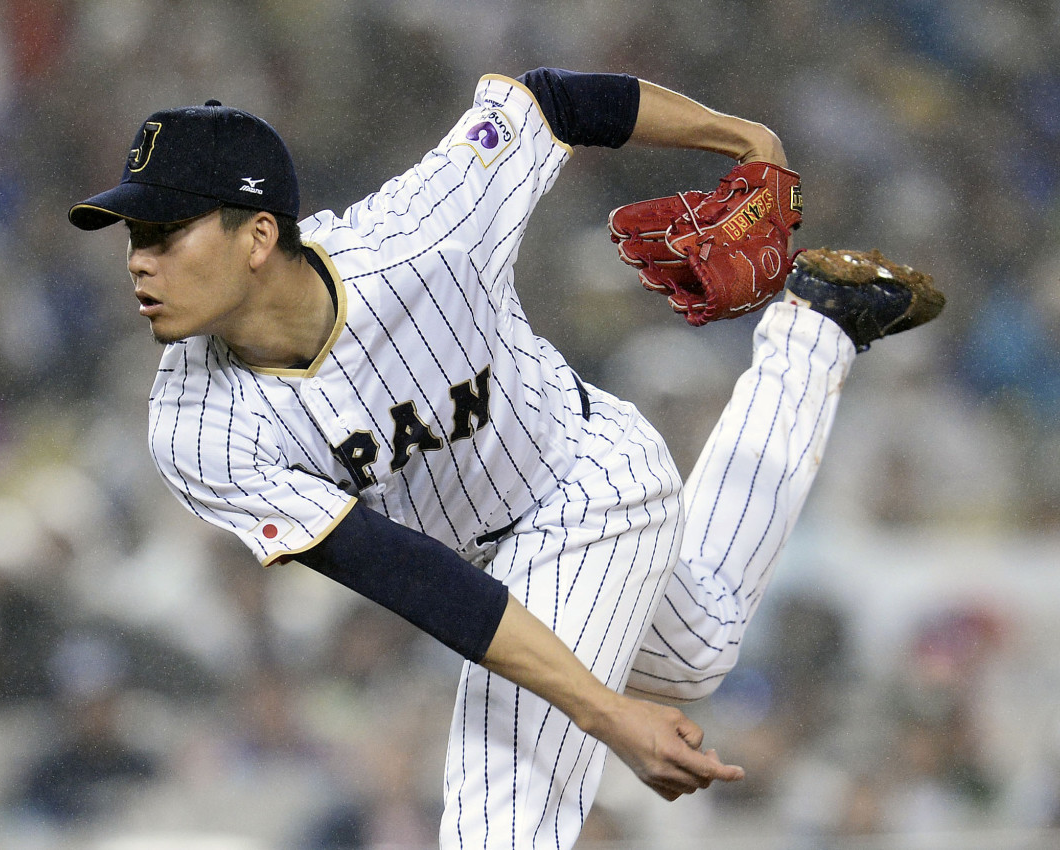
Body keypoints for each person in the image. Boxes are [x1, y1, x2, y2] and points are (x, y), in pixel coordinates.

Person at [69, 68, 940, 849]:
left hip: (588, 484)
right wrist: (609, 712)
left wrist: (743, 138)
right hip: (482, 563)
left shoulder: (424, 231)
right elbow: (405, 575)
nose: (139, 263)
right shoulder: (194, 425)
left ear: (258, 236)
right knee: (698, 648)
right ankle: (819, 324)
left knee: (501, 825)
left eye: (165, 234)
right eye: (132, 236)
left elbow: (551, 101)